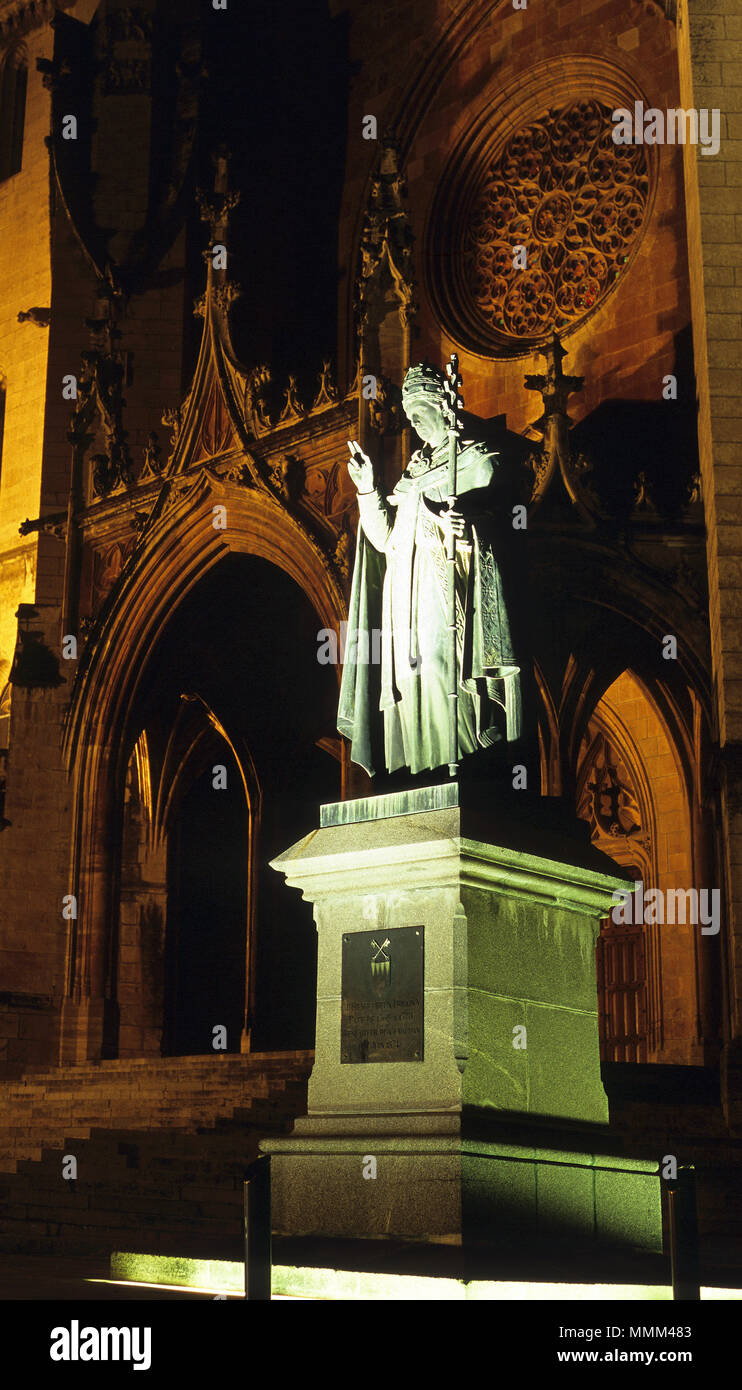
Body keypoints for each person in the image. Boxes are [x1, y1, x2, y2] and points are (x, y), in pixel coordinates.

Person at [338, 361, 521, 777]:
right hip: (404, 598)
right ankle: (423, 772)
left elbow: (507, 532)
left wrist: (470, 528)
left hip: (445, 596)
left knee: (444, 676)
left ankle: (462, 767)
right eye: (409, 418)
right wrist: (368, 488)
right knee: (410, 684)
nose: (415, 425)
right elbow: (385, 540)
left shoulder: (476, 462)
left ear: (444, 406)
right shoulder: (412, 474)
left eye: (419, 414)